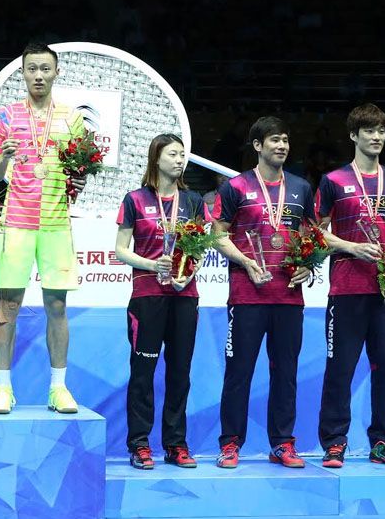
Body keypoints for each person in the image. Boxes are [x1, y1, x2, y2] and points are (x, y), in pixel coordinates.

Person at [0, 42, 86, 414]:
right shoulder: (6, 117)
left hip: (56, 223)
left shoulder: (72, 118)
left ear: (56, 72)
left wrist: (76, 180)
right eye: (32, 69)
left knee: (56, 304)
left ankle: (58, 388)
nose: (38, 75)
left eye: (45, 68)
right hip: (17, 222)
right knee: (7, 304)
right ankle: (2, 388)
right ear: (23, 73)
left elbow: (81, 170)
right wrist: (6, 158)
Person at [316, 103, 385, 468]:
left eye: (381, 131)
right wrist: (351, 246)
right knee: (340, 367)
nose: (377, 137)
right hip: (346, 288)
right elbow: (317, 234)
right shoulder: (333, 181)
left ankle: (383, 442)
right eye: (369, 131)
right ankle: (334, 441)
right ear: (353, 136)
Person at [211, 117, 315, 469]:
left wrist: (309, 263)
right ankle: (230, 444)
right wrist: (244, 260)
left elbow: (311, 236)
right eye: (274, 140)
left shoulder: (301, 187)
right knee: (239, 371)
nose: (282, 146)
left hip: (289, 295)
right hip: (247, 294)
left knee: (286, 372)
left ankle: (283, 443)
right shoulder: (235, 187)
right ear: (257, 145)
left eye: (285, 140)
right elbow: (219, 234)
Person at [114, 134, 207, 470]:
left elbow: (200, 244)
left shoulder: (194, 201)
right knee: (143, 373)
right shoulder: (135, 199)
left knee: (180, 373)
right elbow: (120, 249)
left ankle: (176, 444)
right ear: (156, 159)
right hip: (147, 296)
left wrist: (188, 272)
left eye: (183, 154)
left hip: (185, 295)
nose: (180, 159)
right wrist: (153, 264)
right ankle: (139, 444)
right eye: (173, 154)